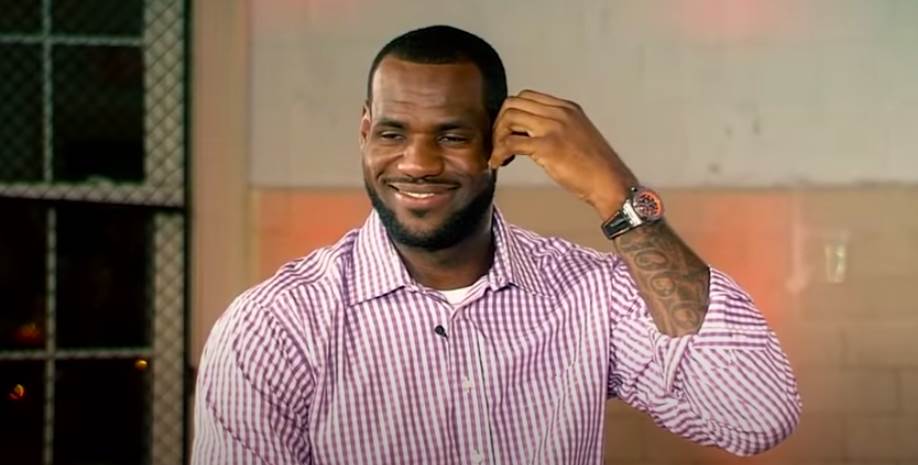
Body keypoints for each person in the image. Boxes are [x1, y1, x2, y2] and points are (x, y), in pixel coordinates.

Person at [192, 25, 801, 465]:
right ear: (364, 132)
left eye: (452, 135)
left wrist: (616, 193)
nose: (418, 163)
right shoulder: (274, 326)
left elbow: (754, 416)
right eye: (393, 133)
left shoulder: (590, 295)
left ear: (500, 144)